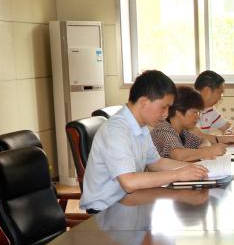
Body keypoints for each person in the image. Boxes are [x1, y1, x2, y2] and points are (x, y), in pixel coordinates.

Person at [80, 70, 208, 213]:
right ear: (144, 102)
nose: (166, 114)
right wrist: (178, 174)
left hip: (130, 202)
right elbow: (129, 182)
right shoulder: (116, 130)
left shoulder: (141, 127)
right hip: (107, 211)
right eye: (164, 107)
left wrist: (196, 169)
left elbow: (156, 163)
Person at [151, 86, 227, 162]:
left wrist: (205, 146)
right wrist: (208, 151)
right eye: (195, 112)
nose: (198, 117)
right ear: (179, 112)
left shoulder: (182, 132)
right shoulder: (163, 129)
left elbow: (203, 140)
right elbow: (178, 155)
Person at [193, 70, 234, 143]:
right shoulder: (187, 108)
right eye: (219, 93)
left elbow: (228, 126)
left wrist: (230, 131)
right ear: (207, 91)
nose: (220, 97)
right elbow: (199, 138)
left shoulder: (210, 109)